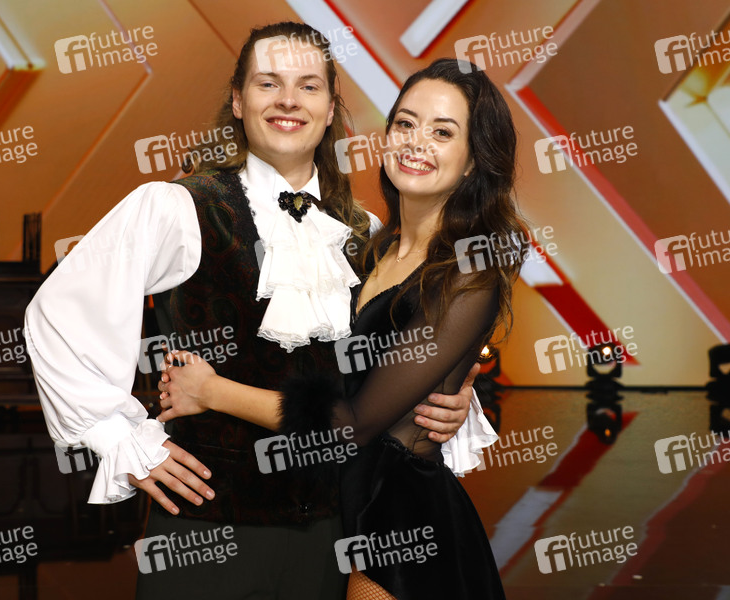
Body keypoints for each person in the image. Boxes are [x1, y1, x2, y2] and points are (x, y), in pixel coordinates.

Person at [24, 23, 492, 600]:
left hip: (333, 535)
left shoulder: (364, 234)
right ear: (238, 101)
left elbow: (384, 369)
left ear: (330, 110)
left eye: (308, 86)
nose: (288, 100)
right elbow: (57, 315)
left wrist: (445, 402)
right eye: (268, 83)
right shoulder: (176, 207)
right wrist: (124, 441)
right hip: (205, 527)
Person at [157, 57, 523, 599]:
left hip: (402, 524)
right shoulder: (368, 249)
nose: (416, 142)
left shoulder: (468, 275)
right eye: (405, 123)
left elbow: (352, 424)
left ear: (473, 161)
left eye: (443, 132)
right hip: (342, 509)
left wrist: (210, 391)